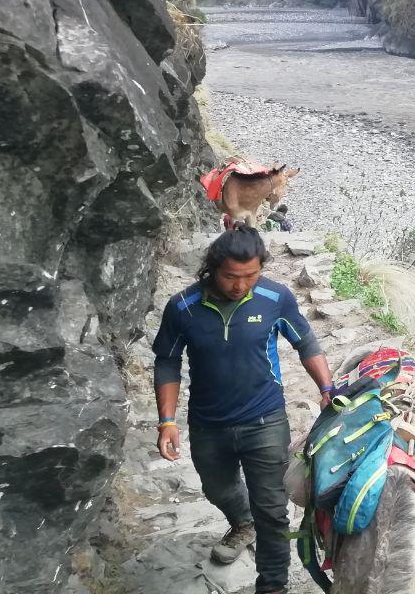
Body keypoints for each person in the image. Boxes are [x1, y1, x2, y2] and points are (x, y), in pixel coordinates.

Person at [152, 224, 334, 594]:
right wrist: (166, 421)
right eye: (231, 276)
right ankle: (241, 519)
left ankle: (272, 586)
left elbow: (306, 342)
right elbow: (167, 363)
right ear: (213, 268)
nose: (240, 285)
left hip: (265, 420)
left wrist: (327, 387)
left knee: (273, 511)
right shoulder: (182, 308)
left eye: (250, 275)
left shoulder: (275, 297)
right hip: (208, 424)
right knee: (216, 489)